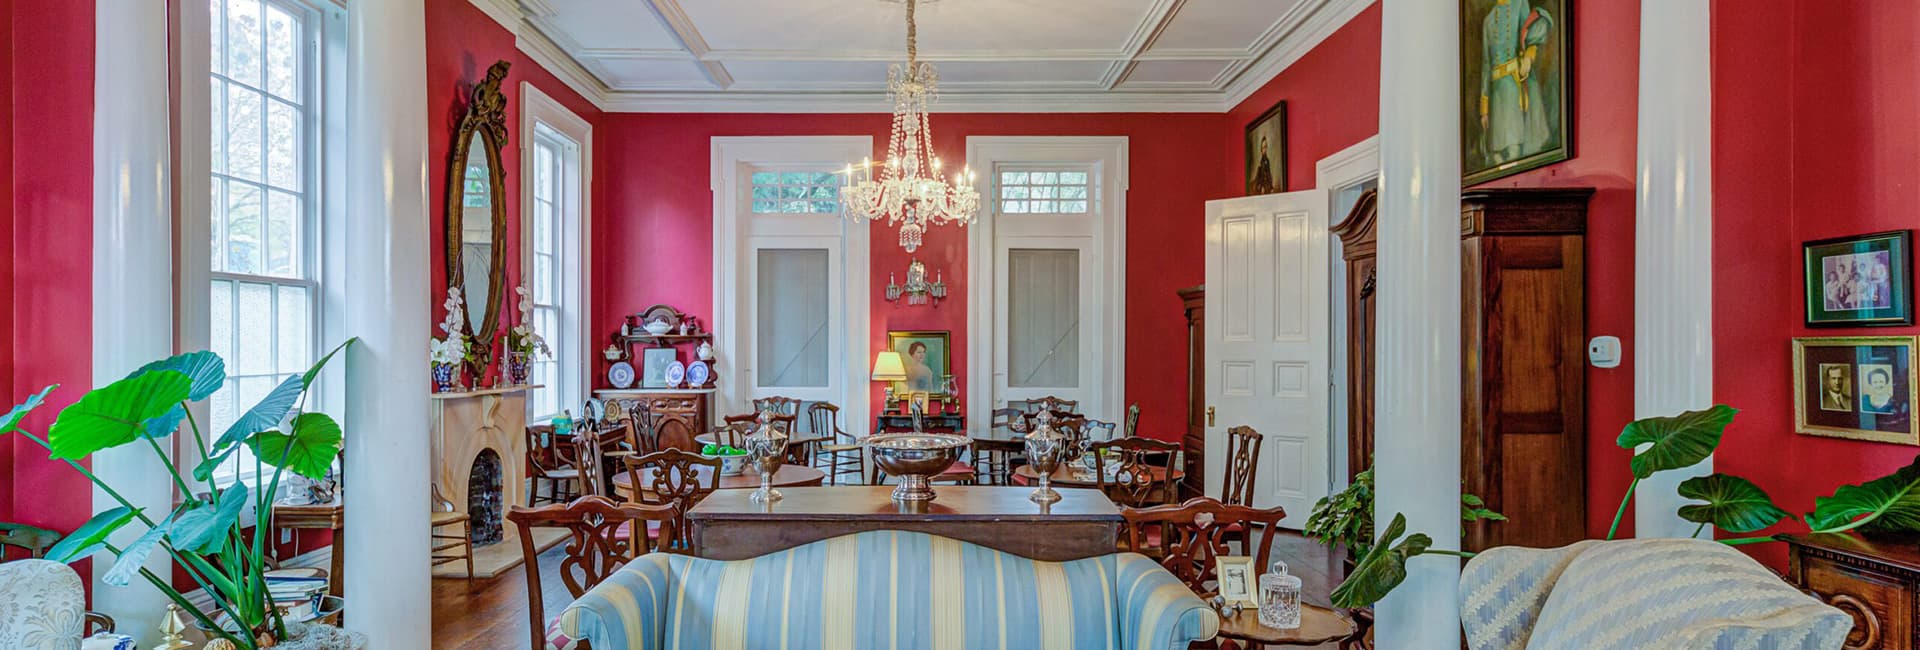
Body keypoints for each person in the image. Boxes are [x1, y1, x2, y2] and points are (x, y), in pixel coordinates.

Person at [1478, 0, 1556, 165]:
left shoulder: (1520, 4)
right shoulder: (1488, 20)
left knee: (1515, 148)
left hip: (1514, 84)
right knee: (1497, 153)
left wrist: (1529, 55)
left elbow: (1528, 35)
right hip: (1496, 93)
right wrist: (1484, 109)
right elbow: (1486, 65)